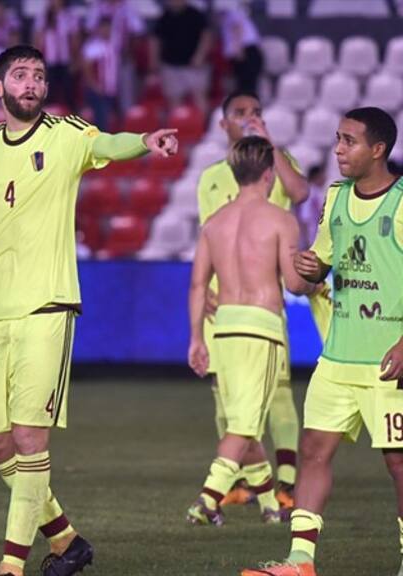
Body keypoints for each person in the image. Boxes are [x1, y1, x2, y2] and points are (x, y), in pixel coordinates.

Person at [0, 45, 178, 576]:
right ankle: (64, 538)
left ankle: (10, 567)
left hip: (48, 306)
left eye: (38, 75)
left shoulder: (65, 136)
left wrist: (145, 142)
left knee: (30, 439)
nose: (32, 83)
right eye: (20, 75)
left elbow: (108, 142)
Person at [242, 108, 403, 576]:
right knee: (313, 450)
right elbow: (314, 271)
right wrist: (310, 268)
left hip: (388, 360)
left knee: (398, 464)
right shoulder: (335, 198)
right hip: (339, 355)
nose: (337, 149)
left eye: (349, 141)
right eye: (337, 139)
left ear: (378, 150)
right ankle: (300, 562)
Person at [188, 136, 314, 527]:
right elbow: (294, 284)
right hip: (261, 328)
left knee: (247, 420)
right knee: (245, 424)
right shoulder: (281, 220)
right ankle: (207, 501)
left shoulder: (215, 223)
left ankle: (268, 506)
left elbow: (197, 286)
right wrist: (315, 276)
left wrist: (195, 338)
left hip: (222, 328)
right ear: (269, 173)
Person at [150, 0, 213, 114]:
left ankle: (204, 128)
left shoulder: (196, 15)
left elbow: (206, 36)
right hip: (171, 65)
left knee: (199, 98)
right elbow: (155, 40)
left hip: (194, 66)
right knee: (174, 101)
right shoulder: (164, 17)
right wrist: (154, 62)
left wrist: (200, 56)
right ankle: (176, 128)